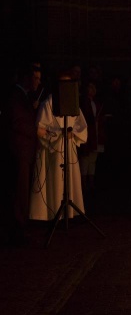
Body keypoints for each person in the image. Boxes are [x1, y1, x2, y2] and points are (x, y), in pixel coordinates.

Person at [30, 72, 89, 221]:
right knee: (56, 181)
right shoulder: (48, 103)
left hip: (69, 146)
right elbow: (40, 128)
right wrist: (57, 135)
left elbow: (81, 126)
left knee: (69, 179)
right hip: (54, 150)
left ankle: (69, 213)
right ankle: (55, 212)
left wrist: (73, 134)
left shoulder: (73, 103)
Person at [2, 65, 41, 244]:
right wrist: (36, 130)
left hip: (24, 150)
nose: (38, 82)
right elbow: (17, 122)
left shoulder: (23, 97)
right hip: (19, 151)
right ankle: (18, 229)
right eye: (35, 78)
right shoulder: (16, 96)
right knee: (19, 191)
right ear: (26, 78)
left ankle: (19, 227)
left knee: (21, 191)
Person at [78, 80, 105, 193]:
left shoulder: (96, 103)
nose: (92, 89)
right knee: (85, 159)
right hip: (88, 134)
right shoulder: (83, 102)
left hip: (96, 133)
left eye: (94, 87)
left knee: (92, 160)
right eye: (90, 87)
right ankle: (84, 184)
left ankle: (91, 182)